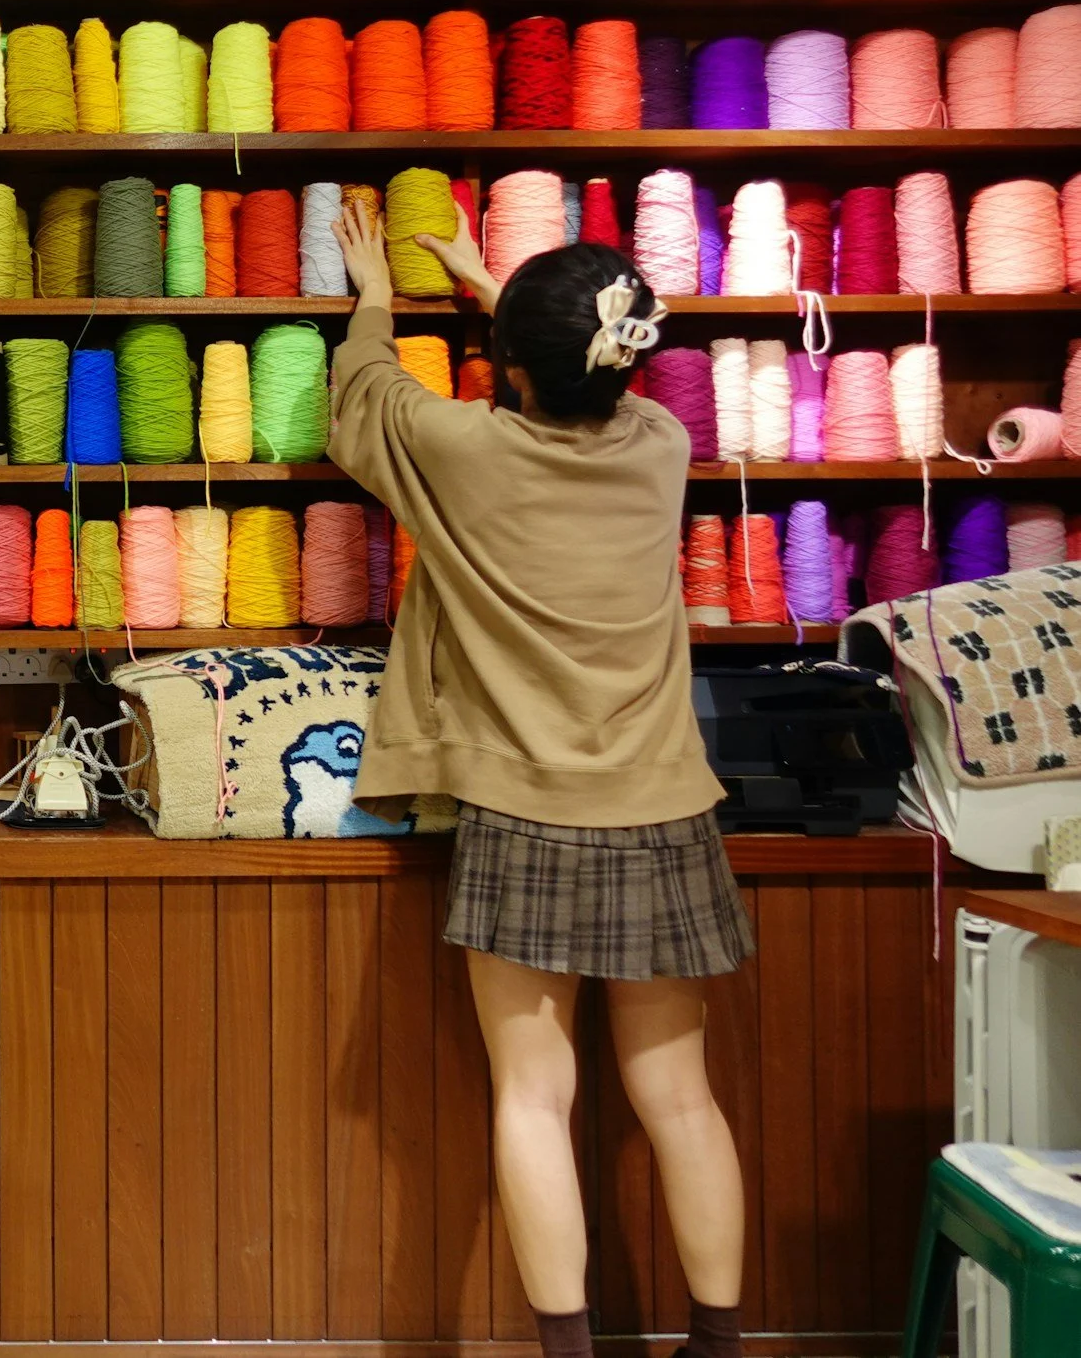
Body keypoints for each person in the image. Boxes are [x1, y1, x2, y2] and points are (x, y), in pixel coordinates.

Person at [327, 197, 752, 1358]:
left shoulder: (466, 451)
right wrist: (493, 291)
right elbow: (573, 374)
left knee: (531, 1096)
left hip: (522, 814)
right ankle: (715, 1344)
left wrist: (377, 294)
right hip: (664, 808)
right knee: (680, 1100)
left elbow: (362, 404)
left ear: (506, 367)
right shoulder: (661, 448)